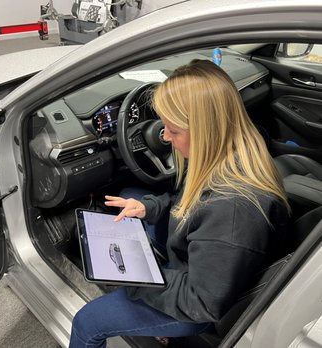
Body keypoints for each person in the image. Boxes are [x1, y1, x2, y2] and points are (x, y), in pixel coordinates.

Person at [69, 59, 289, 347]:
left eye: (174, 130)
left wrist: (134, 281)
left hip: (194, 307)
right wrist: (148, 208)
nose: (166, 138)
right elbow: (186, 204)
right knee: (131, 196)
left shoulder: (232, 209)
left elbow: (201, 302)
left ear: (204, 130)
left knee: (88, 323)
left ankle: (162, 321)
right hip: (197, 260)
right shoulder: (231, 153)